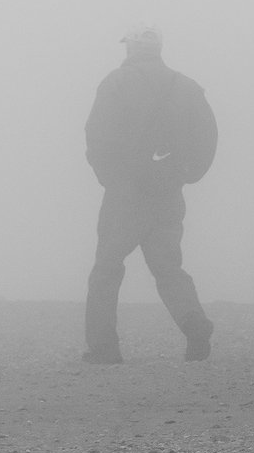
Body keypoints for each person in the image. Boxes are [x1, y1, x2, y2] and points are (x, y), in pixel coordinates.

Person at [83, 24, 217, 364]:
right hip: (168, 193)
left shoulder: (115, 83)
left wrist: (110, 178)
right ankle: (194, 324)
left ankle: (104, 349)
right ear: (158, 48)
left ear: (130, 48)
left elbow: (97, 136)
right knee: (169, 268)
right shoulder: (186, 87)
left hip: (125, 196)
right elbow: (207, 136)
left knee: (106, 269)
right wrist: (187, 174)